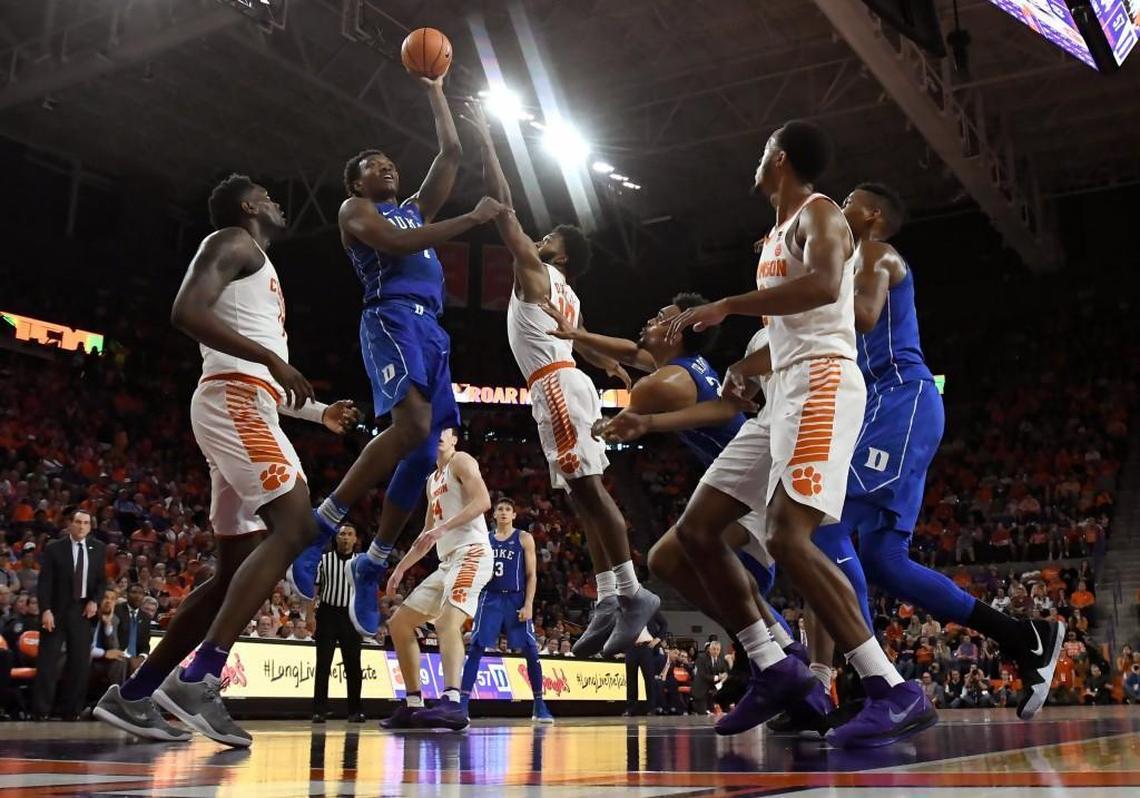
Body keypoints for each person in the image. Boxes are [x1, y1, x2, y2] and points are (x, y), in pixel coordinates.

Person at [668, 121, 933, 748]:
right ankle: (773, 666)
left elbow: (823, 286)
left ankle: (893, 688)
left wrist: (728, 306)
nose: (757, 163)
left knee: (789, 536)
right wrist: (747, 366)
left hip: (822, 384)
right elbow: (793, 318)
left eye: (763, 153)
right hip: (784, 389)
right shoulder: (776, 234)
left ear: (780, 160)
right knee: (693, 534)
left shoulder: (822, 214)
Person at [93, 174, 359, 747]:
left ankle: (135, 694)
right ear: (247, 206)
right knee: (296, 526)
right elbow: (186, 311)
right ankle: (202, 677)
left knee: (229, 578)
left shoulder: (258, 266)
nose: (277, 202)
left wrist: (319, 414)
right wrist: (271, 359)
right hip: (234, 402)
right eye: (267, 195)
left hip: (246, 401)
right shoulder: (232, 240)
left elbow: (261, 374)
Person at [802, 182, 1064, 725]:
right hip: (890, 408)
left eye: (849, 201)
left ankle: (877, 687)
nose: (840, 207)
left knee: (822, 526)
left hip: (900, 400)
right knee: (884, 561)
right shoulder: (853, 261)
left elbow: (865, 315)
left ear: (873, 215)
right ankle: (1024, 636)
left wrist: (801, 296)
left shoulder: (876, 253)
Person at [287, 70, 507, 640]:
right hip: (391, 317)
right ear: (356, 181)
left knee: (428, 450)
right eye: (373, 165)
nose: (386, 168)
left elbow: (450, 153)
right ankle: (321, 525)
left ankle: (374, 560)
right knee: (409, 427)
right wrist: (471, 219)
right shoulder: (355, 211)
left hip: (431, 329)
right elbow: (399, 244)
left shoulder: (413, 207)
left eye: (390, 164)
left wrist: (436, 88)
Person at [463, 102, 657, 658]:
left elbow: (504, 211)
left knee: (590, 492)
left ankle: (632, 593)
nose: (539, 237)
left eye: (548, 236)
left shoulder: (537, 271)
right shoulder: (567, 294)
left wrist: (488, 141)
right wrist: (607, 364)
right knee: (580, 497)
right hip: (564, 382)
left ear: (561, 252)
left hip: (555, 385)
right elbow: (583, 338)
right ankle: (607, 598)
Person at [550, 304, 807, 672]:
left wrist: (604, 424)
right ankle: (770, 655)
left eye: (660, 319)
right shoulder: (684, 366)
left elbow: (626, 412)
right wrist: (578, 334)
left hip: (747, 492)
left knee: (696, 566)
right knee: (709, 576)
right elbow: (631, 353)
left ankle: (785, 657)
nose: (649, 320)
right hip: (745, 486)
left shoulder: (665, 383)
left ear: (677, 333)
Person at [380, 428, 493, 731]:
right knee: (399, 623)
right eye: (435, 430)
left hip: (472, 552)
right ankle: (413, 703)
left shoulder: (461, 460)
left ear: (455, 439)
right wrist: (401, 568)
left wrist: (444, 528)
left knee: (446, 622)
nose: (439, 435)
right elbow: (427, 534)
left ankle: (454, 704)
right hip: (447, 563)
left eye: (446, 430)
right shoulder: (432, 480)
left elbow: (483, 501)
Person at [459, 498, 553, 723]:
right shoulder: (485, 539)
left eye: (508, 509)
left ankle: (539, 705)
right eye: (499, 509)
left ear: (514, 515)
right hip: (489, 597)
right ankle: (462, 706)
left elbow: (531, 575)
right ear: (494, 515)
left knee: (531, 650)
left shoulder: (524, 538)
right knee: (476, 648)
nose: (503, 512)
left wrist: (529, 604)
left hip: (515, 598)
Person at [33, 508, 105, 720]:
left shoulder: (98, 548)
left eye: (86, 523)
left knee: (79, 663)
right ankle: (41, 711)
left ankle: (71, 710)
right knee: (48, 662)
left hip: (81, 612)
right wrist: (45, 609)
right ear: (70, 524)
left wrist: (95, 600)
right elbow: (44, 583)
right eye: (78, 522)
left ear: (90, 527)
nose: (82, 527)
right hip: (56, 610)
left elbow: (101, 581)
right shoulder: (55, 548)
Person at [311, 524, 364, 724]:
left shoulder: (360, 563)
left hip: (351, 616)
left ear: (355, 539)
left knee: (353, 666)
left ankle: (355, 711)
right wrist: (310, 615)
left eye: (349, 534)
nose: (345, 538)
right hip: (328, 614)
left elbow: (366, 591)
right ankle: (319, 711)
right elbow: (315, 589)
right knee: (323, 664)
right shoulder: (324, 560)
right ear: (336, 537)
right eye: (342, 534)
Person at [624, 611, 668, 717]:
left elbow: (664, 624)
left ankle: (651, 708)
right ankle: (631, 709)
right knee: (631, 679)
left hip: (647, 647)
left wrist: (658, 639)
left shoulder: (650, 608)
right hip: (631, 647)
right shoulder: (626, 610)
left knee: (649, 678)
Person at [115, 583, 151, 678]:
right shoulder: (116, 611)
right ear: (126, 594)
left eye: (141, 593)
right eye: (134, 592)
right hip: (118, 656)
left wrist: (142, 657)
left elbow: (145, 646)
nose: (138, 596)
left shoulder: (146, 618)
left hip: (137, 659)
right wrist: (129, 657)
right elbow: (113, 641)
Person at [691, 640, 729, 714]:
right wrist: (718, 677)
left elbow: (725, 673)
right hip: (701, 690)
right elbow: (703, 675)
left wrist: (723, 678)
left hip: (713, 691)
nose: (716, 651)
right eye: (714, 649)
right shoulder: (701, 658)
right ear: (709, 649)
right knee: (703, 714)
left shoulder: (721, 660)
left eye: (717, 649)